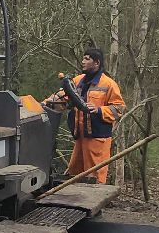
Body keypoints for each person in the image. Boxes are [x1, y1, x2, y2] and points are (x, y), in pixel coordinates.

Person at [45, 48, 125, 184]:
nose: (83, 62)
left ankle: (94, 200)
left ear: (97, 63)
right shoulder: (77, 81)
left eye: (87, 59)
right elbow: (61, 96)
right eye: (83, 58)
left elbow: (119, 108)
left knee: (95, 177)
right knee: (75, 174)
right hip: (81, 137)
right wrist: (43, 104)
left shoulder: (108, 84)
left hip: (98, 139)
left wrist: (99, 110)